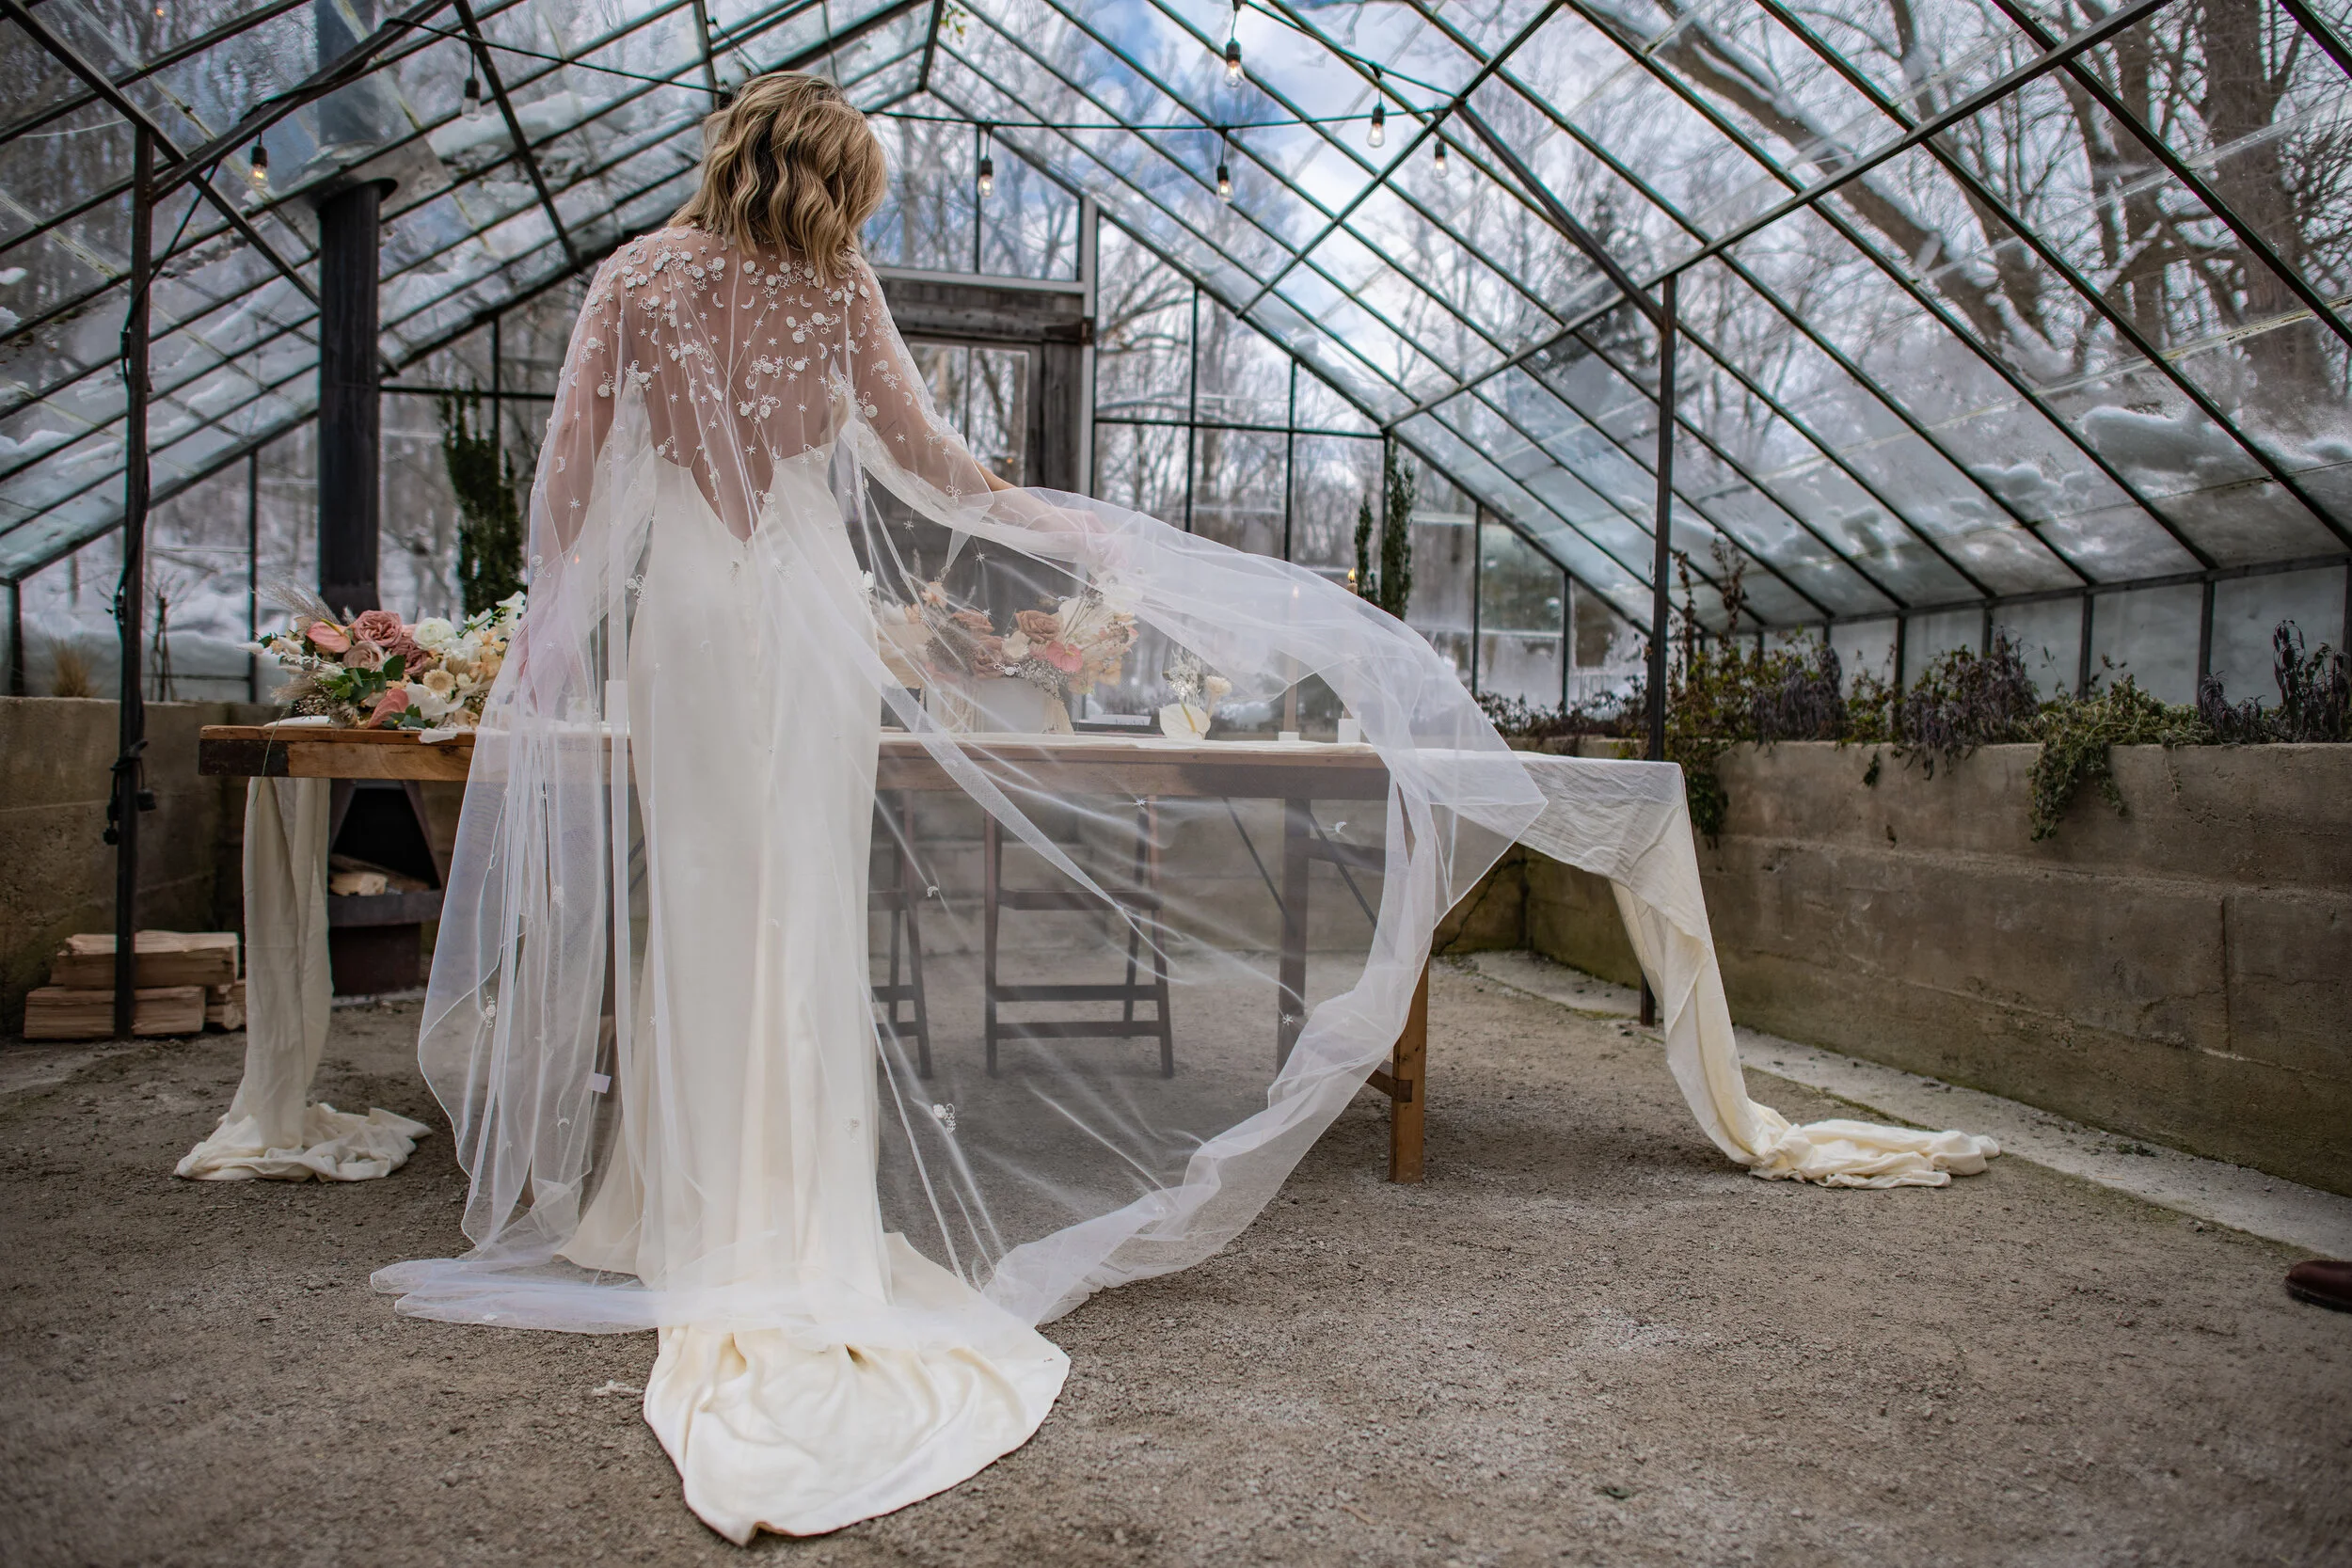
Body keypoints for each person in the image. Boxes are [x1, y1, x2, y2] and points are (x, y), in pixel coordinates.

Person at [373, 72, 1543, 1541]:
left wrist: (545, 651)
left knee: (703, 898)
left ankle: (671, 1205)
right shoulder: (832, 282)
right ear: (830, 180)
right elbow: (937, 468)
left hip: (683, 618)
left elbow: (565, 487)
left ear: (731, 150)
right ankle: (795, 1213)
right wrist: (1075, 522)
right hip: (803, 629)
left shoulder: (636, 277)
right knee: (799, 908)